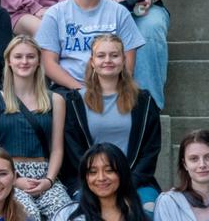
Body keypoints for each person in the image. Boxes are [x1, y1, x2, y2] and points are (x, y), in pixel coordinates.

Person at [62, 35, 162, 216]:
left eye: (114, 55)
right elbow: (74, 150)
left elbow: (151, 149)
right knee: (87, 214)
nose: (107, 60)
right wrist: (96, 178)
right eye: (101, 56)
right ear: (92, 62)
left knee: (148, 212)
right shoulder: (75, 102)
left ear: (124, 60)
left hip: (136, 181)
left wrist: (126, 182)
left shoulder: (143, 101)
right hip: (91, 181)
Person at [0, 36, 68, 220]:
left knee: (67, 214)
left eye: (30, 56)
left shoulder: (55, 100)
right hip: (9, 176)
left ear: (38, 61)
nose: (24, 61)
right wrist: (14, 179)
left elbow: (57, 149)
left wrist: (49, 180)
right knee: (29, 215)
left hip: (45, 174)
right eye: (18, 57)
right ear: (9, 62)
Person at [37, 0, 144, 94]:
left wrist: (110, 90)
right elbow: (48, 63)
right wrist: (80, 90)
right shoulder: (55, 14)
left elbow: (128, 63)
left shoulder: (119, 12)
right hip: (69, 90)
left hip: (112, 87)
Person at [52, 144, 150, 221]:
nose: (101, 178)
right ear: (85, 177)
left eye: (109, 170)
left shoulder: (138, 216)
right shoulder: (66, 216)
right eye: (93, 172)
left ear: (122, 173)